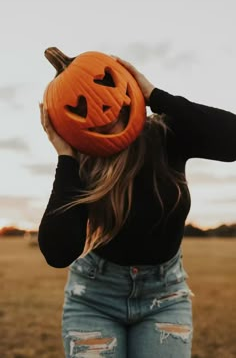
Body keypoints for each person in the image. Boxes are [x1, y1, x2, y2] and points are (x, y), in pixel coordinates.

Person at [38, 56, 236, 358]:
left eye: (106, 99)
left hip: (165, 296)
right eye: (80, 109)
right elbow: (58, 251)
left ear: (126, 92)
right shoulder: (82, 161)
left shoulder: (165, 136)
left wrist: (155, 95)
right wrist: (66, 157)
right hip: (93, 299)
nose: (102, 117)